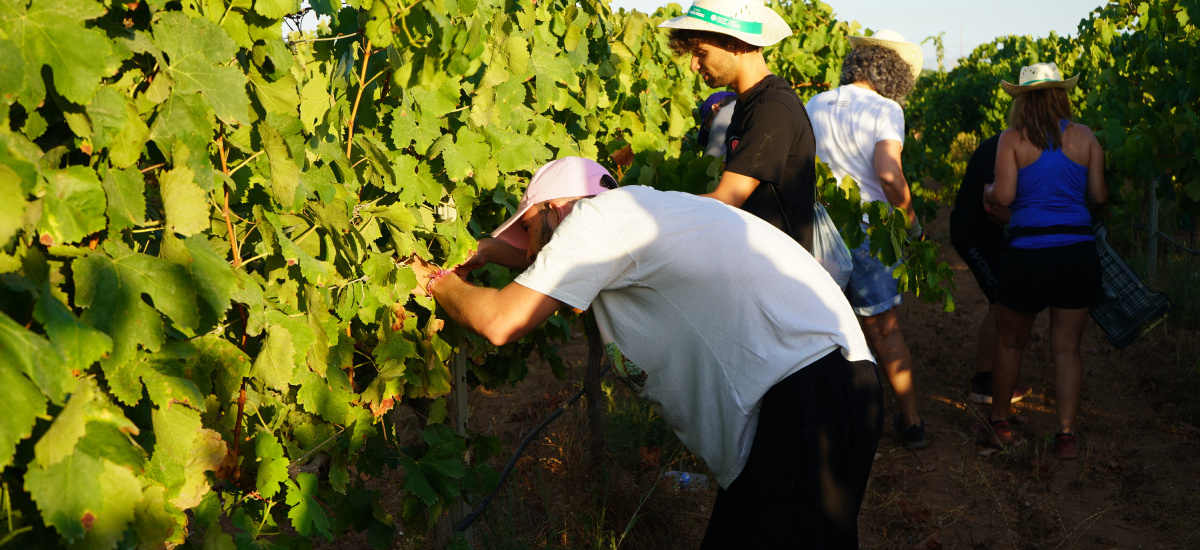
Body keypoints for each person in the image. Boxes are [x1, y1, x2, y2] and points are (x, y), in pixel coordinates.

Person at [412, 157, 883, 548]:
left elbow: (501, 322)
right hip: (812, 390)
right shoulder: (639, 215)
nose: (533, 254)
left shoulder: (596, 220)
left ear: (555, 208)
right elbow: (548, 261)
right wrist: (486, 251)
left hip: (806, 397)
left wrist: (437, 280)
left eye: (529, 228)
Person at [805, 29, 928, 449]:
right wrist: (912, 226)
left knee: (821, 334)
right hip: (871, 233)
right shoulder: (885, 109)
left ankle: (824, 425)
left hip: (819, 230)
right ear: (895, 72)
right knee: (884, 330)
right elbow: (890, 176)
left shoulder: (814, 104)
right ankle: (911, 423)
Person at [979, 63, 1107, 460]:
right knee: (1067, 348)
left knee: (1010, 340)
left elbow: (1002, 198)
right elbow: (1099, 196)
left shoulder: (1012, 139)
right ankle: (1066, 436)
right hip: (1077, 251)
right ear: (1061, 95)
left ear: (1022, 100)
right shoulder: (1086, 137)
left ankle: (1001, 423)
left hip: (1028, 253)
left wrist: (988, 190)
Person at [660, 0, 817, 252]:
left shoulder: (772, 109)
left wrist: (648, 209)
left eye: (701, 53)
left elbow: (726, 199)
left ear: (736, 44)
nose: (693, 65)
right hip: (757, 262)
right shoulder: (748, 103)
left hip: (776, 271)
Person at [949, 135, 1034, 405]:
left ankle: (994, 374)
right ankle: (984, 382)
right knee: (1000, 302)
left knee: (1002, 300)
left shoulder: (1026, 144)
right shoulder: (1002, 147)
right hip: (973, 232)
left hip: (995, 233)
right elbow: (994, 206)